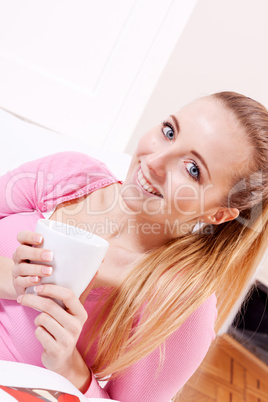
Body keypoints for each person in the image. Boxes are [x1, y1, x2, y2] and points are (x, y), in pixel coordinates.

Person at [0, 91, 268, 401]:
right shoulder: (67, 175)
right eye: (169, 132)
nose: (153, 162)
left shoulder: (179, 303)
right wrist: (9, 278)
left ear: (217, 214)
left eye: (192, 169)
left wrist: (69, 368)